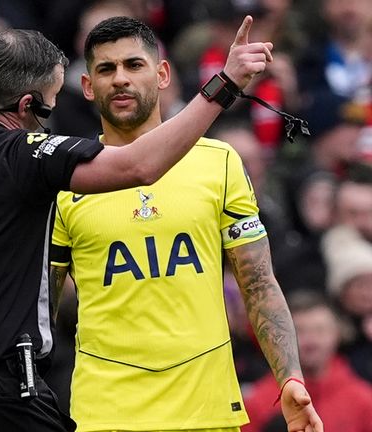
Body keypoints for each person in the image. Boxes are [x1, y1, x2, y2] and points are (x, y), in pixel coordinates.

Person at [0, 15, 275, 432]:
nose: (50, 116)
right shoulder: (23, 153)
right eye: (50, 103)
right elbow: (141, 166)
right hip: (5, 395)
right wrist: (225, 86)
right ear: (26, 105)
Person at [50, 16, 322, 432]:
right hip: (106, 412)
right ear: (88, 86)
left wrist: (289, 377)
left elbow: (260, 284)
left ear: (162, 75)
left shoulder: (219, 162)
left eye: (133, 65)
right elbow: (39, 308)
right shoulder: (67, 180)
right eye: (106, 69)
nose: (120, 79)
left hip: (207, 408)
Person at [243, 290, 372, 432]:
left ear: (338, 333)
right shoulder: (258, 401)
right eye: (299, 331)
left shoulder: (364, 401)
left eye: (320, 330)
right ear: (281, 339)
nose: (311, 341)